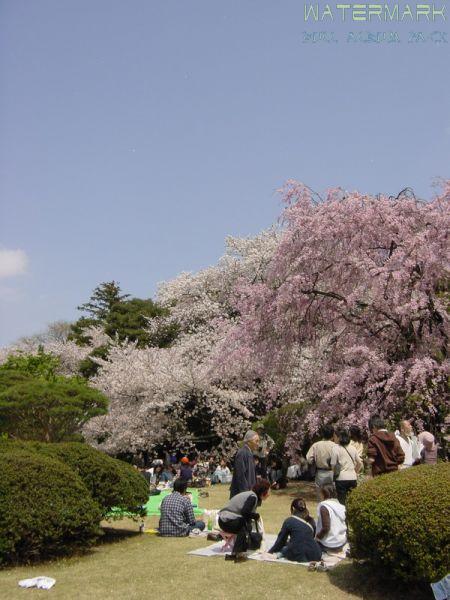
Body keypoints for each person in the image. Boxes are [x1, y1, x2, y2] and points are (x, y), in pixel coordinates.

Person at [218, 480, 270, 562]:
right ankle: (238, 554)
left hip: (224, 520)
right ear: (263, 492)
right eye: (268, 492)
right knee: (244, 525)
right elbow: (245, 512)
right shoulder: (253, 497)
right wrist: (255, 516)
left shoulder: (251, 495)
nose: (269, 494)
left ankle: (236, 553)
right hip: (226, 521)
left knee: (245, 524)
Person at [268, 497, 322, 563]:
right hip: (315, 553)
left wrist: (270, 551)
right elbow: (310, 537)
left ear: (293, 508)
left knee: (287, 547)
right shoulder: (311, 520)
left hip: (299, 555)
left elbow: (281, 541)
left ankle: (279, 555)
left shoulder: (289, 521)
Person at [331, 429, 363, 505]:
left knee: (342, 502)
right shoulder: (353, 448)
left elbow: (333, 464)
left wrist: (334, 475)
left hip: (341, 478)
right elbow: (360, 463)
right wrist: (355, 471)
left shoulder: (336, 449)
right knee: (352, 500)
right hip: (352, 477)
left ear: (340, 438)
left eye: (336, 437)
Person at [306, 425, 338, 499]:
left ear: (322, 434)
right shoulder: (335, 446)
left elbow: (309, 459)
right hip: (332, 473)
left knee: (321, 497)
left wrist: (315, 462)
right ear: (333, 434)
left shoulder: (316, 445)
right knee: (333, 496)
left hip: (320, 473)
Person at [315, 484, 347, 551]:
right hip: (342, 541)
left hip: (329, 544)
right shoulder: (341, 506)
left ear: (323, 494)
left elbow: (326, 528)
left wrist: (318, 537)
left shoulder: (324, 507)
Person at [229, 430, 260, 498]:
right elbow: (240, 476)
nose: (258, 444)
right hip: (241, 496)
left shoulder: (249, 453)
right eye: (256, 441)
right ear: (249, 441)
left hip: (248, 493)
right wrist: (246, 494)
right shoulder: (242, 453)